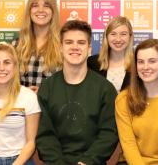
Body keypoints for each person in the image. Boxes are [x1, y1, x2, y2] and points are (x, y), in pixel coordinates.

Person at [36, 20, 118, 164]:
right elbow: (44, 135)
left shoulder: (105, 89)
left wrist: (87, 162)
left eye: (81, 42)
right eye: (69, 42)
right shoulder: (47, 87)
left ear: (90, 48)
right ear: (61, 47)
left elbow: (108, 134)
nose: (75, 47)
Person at [0, 43, 40, 165]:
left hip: (21, 161)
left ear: (15, 67)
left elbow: (31, 142)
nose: (1, 68)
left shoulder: (28, 97)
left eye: (7, 62)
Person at [16, 0, 63, 91]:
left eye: (46, 6)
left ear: (53, 12)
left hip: (51, 105)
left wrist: (43, 94)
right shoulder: (17, 45)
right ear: (29, 11)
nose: (40, 10)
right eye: (35, 5)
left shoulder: (63, 45)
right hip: (24, 105)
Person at [87, 16, 133, 92]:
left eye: (123, 34)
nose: (118, 39)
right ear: (106, 37)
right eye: (113, 34)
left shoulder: (138, 64)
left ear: (130, 37)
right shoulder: (92, 63)